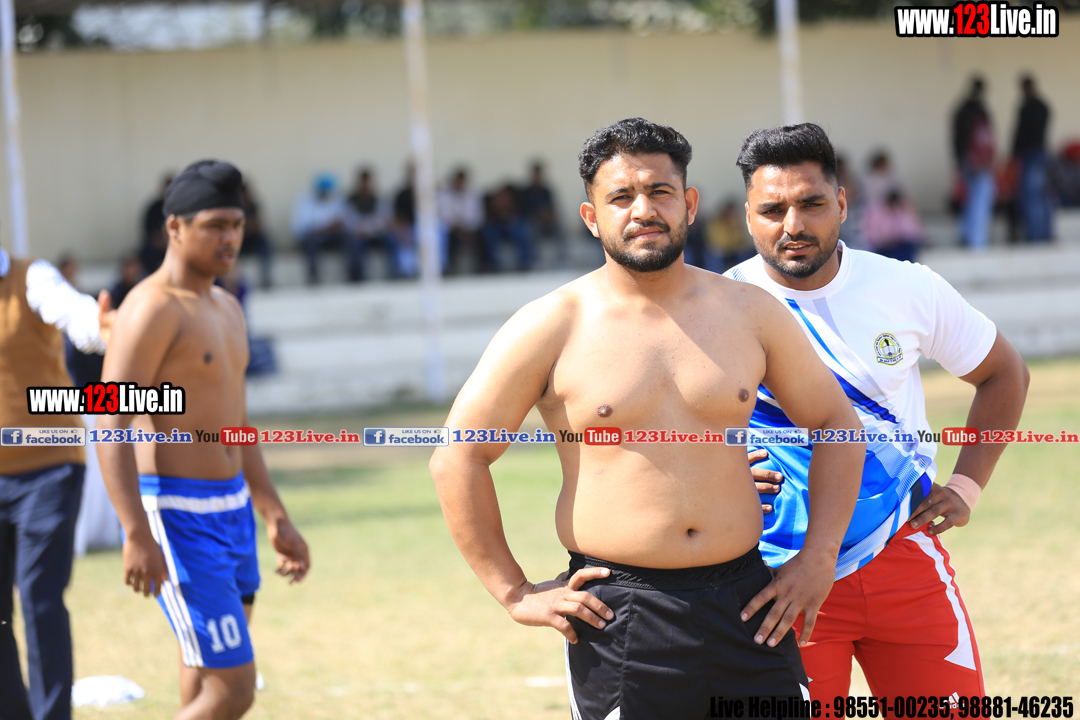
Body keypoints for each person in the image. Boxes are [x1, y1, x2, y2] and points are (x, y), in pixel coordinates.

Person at [429, 118, 865, 718]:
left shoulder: (750, 312)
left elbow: (837, 426)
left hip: (748, 601)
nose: (643, 210)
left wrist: (818, 557)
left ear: (689, 204)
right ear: (591, 217)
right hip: (620, 614)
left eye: (660, 191)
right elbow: (458, 456)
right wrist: (514, 592)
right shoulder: (551, 324)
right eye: (621, 196)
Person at [725, 123, 1029, 700]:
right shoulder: (718, 306)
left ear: (842, 203)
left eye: (812, 204)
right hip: (778, 574)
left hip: (903, 552)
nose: (793, 225)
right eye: (772, 210)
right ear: (748, 216)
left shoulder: (905, 286)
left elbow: (1004, 373)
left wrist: (966, 485)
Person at [97, 160, 310, 720]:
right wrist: (135, 531)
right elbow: (109, 422)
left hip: (232, 510)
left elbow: (237, 423)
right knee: (234, 691)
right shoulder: (151, 309)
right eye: (215, 225)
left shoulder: (228, 306)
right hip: (176, 515)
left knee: (203, 676)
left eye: (236, 224)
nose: (230, 238)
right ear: (174, 227)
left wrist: (274, 514)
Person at [1, 245, 113, 720]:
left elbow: (76, 316)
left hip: (48, 464)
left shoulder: (30, 277)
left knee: (38, 598)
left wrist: (102, 326)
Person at [952, 77, 996, 250]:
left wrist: (959, 161)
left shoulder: (962, 109)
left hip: (969, 162)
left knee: (971, 199)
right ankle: (977, 241)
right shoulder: (977, 111)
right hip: (977, 164)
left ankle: (969, 237)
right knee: (980, 200)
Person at [291, 173, 357, 284]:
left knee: (349, 239)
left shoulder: (338, 200)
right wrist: (325, 228)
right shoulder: (305, 202)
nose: (326, 195)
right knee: (310, 243)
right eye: (323, 192)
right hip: (313, 238)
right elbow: (300, 228)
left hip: (332, 237)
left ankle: (354, 275)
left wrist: (332, 227)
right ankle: (314, 278)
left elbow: (344, 222)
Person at [1012, 75, 1053, 242]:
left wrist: (1014, 153)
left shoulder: (1029, 107)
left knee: (1032, 197)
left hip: (1031, 156)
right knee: (1042, 196)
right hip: (1040, 154)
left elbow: (1021, 134)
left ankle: (1036, 237)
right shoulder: (1043, 106)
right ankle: (1044, 234)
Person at [437, 168, 485, 274]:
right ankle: (449, 269)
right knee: (447, 237)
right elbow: (444, 217)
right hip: (452, 231)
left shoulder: (473, 196)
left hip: (470, 230)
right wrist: (457, 228)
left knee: (484, 235)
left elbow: (477, 217)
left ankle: (483, 267)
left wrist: (467, 229)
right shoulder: (444, 197)